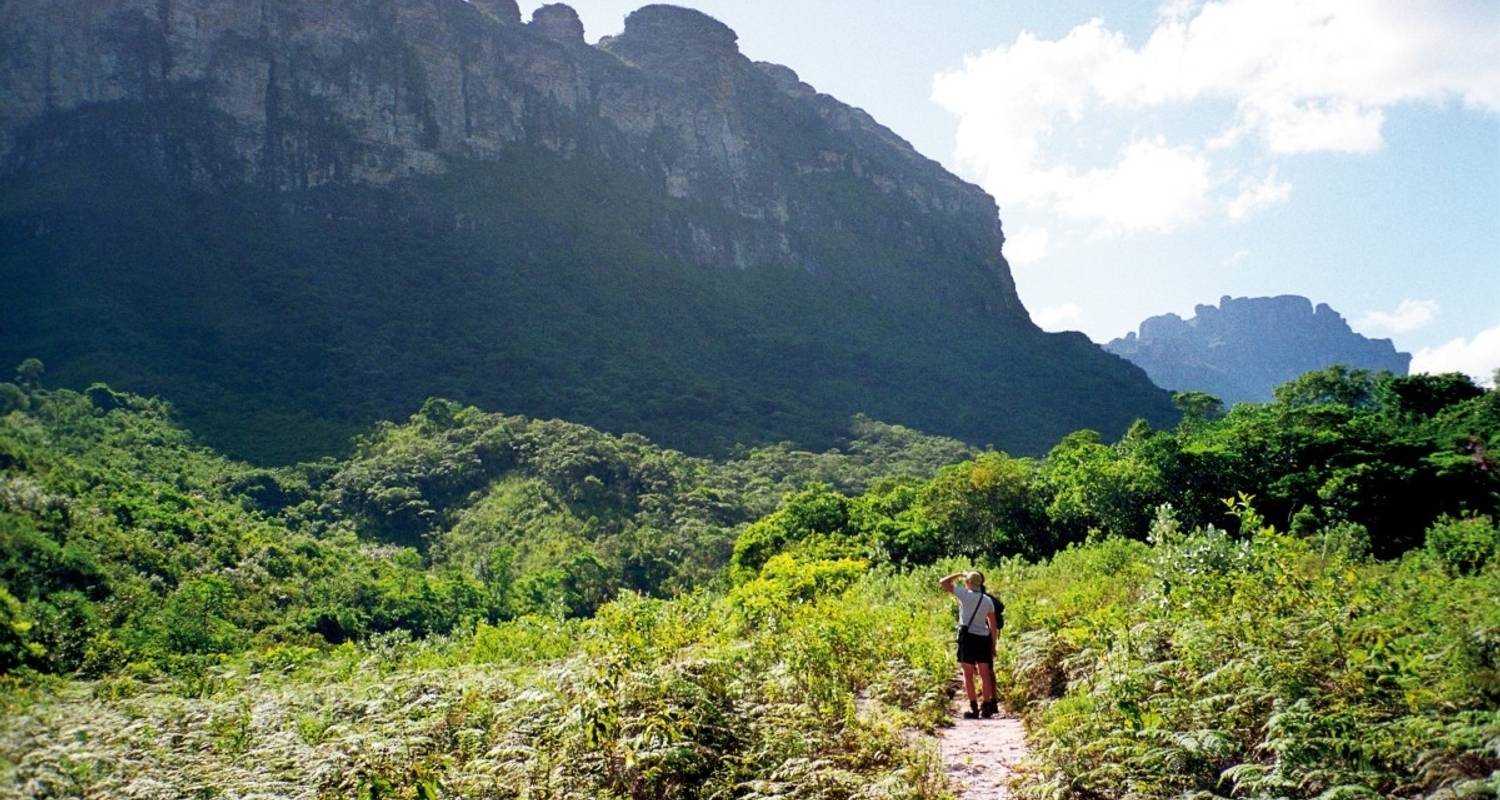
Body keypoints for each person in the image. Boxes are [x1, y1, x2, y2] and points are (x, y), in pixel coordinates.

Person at [939, 570, 999, 719]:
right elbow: (993, 625)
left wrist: (959, 574)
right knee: (985, 674)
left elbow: (943, 582)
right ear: (981, 583)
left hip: (967, 639)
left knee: (968, 675)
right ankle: (986, 706)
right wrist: (993, 645)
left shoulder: (964, 595)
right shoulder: (987, 600)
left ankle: (973, 708)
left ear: (968, 583)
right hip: (983, 639)